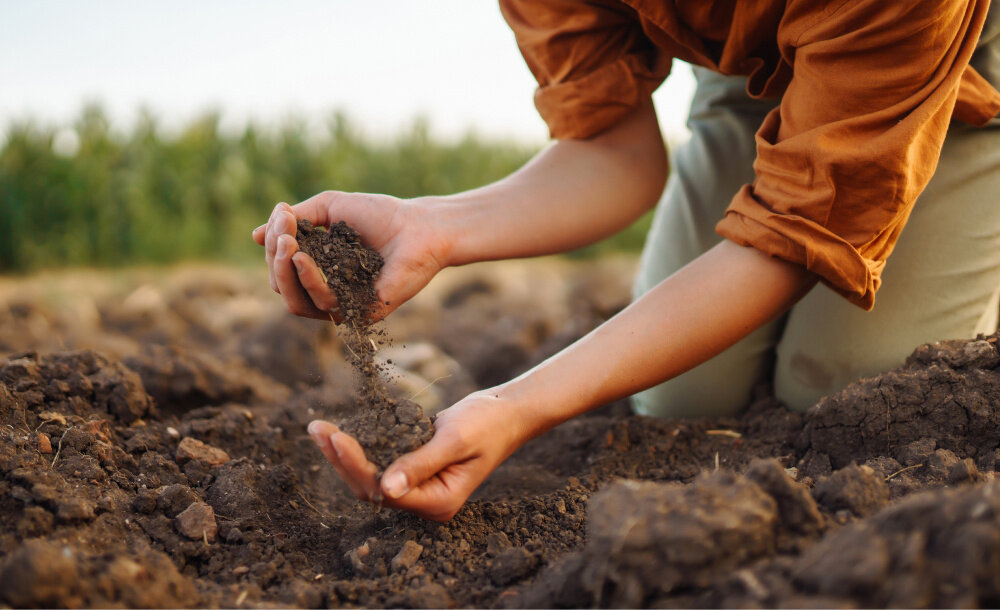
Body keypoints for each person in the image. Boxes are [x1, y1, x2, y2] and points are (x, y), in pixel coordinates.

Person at [253, 0, 1000, 521]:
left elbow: (801, 231)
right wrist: (433, 225)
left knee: (851, 389)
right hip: (746, 72)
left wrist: (518, 407)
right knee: (682, 398)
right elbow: (614, 152)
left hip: (944, 72)